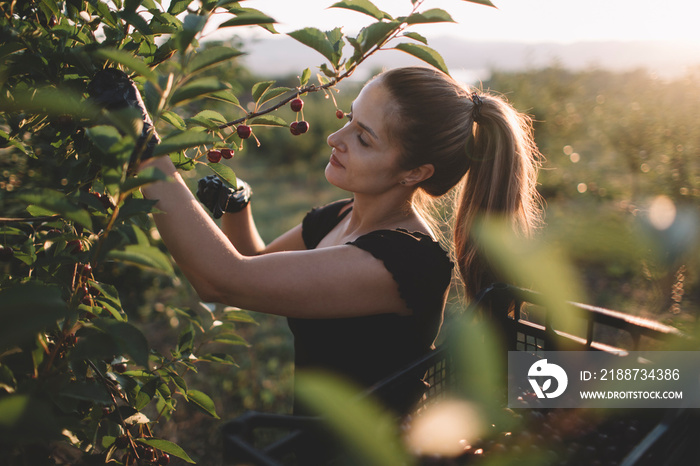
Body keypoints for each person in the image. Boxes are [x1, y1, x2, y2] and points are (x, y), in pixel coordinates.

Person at [90, 66, 542, 415]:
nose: (334, 136)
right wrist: (237, 205)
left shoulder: (400, 263)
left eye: (363, 139)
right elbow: (256, 261)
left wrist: (144, 146)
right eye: (349, 120)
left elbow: (223, 280)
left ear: (415, 173)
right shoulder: (341, 216)